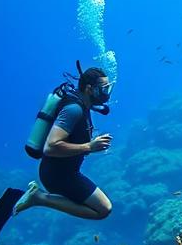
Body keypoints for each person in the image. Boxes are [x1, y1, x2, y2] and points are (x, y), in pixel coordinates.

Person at [12, 66, 115, 220]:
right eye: (104, 89)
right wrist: (89, 146)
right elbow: (51, 146)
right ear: (89, 89)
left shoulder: (84, 105)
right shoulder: (74, 109)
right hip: (58, 176)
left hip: (66, 173)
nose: (107, 94)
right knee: (103, 209)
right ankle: (38, 198)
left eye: (109, 88)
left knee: (104, 209)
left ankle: (38, 197)